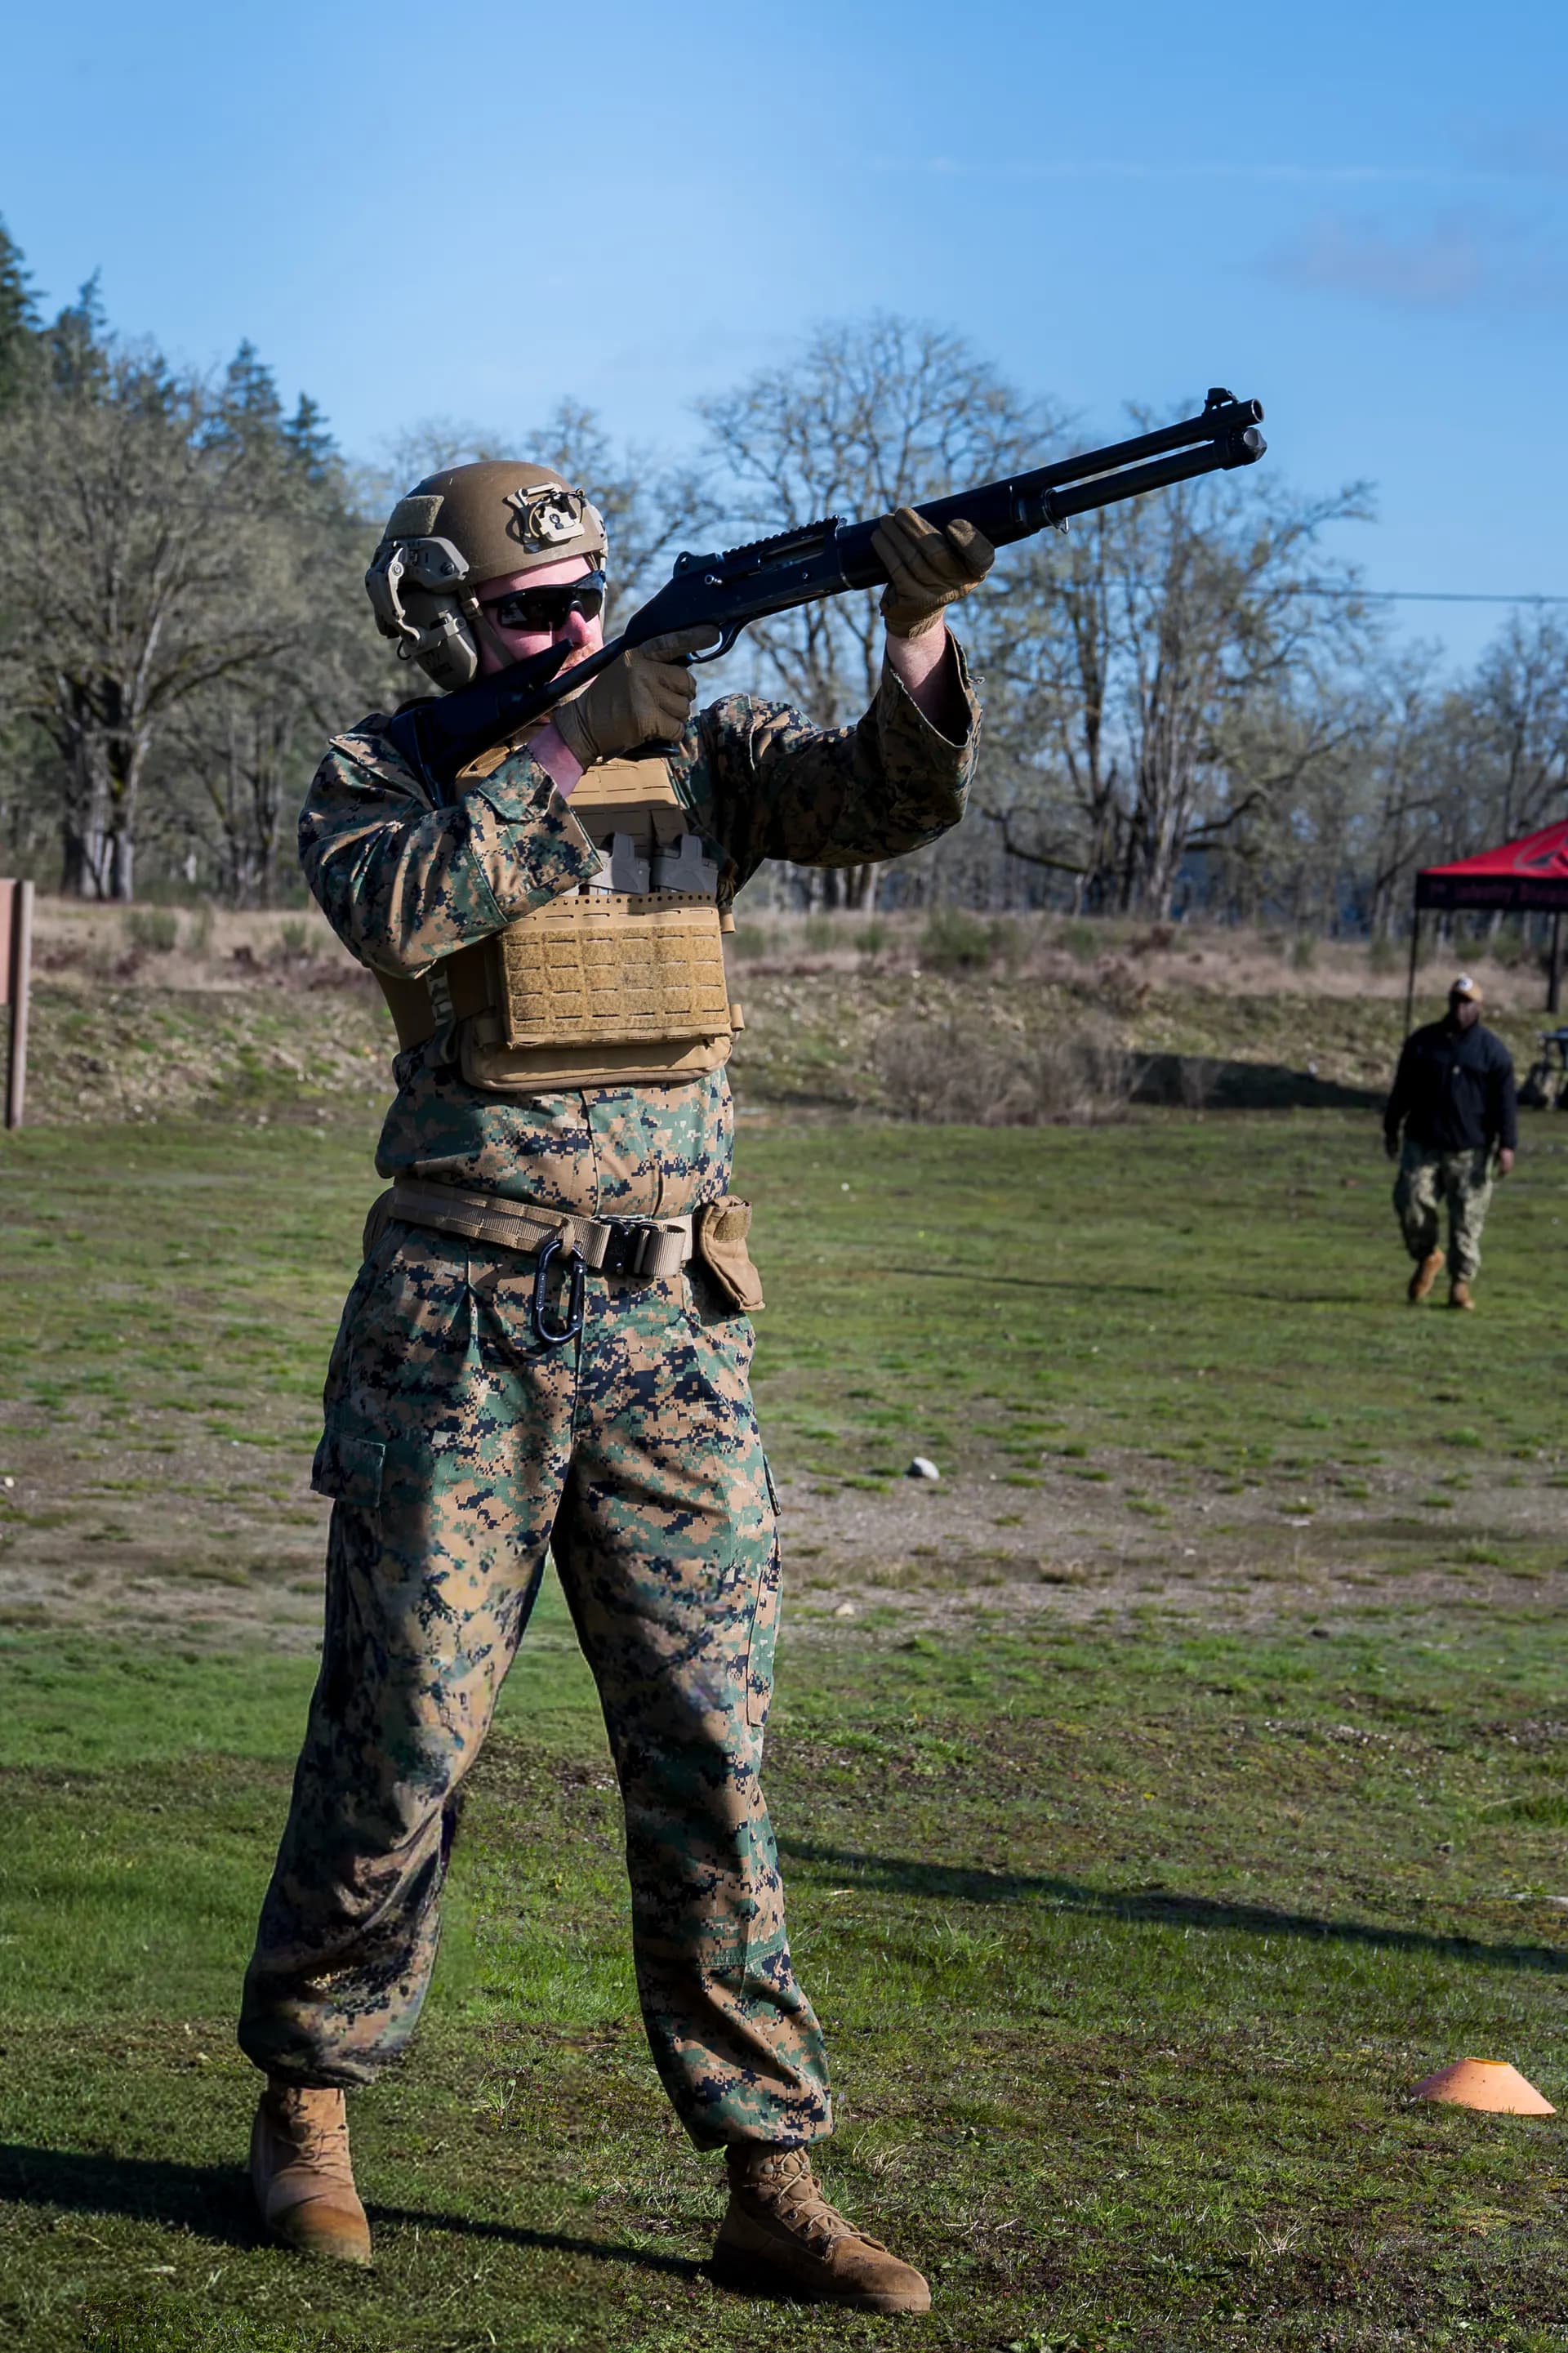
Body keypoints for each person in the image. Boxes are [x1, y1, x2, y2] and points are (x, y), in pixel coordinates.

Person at [236, 458, 992, 2312]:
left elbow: (884, 806)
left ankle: (768, 2166)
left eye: (590, 599)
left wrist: (916, 620)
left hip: (671, 1328)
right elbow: (402, 911)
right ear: (445, 620)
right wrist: (571, 742)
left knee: (711, 1745)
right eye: (533, 612)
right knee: (403, 1732)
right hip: (458, 1323)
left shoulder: (703, 756)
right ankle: (310, 2098)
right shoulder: (387, 768)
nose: (574, 630)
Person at [1383, 973, 1517, 1310]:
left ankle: (1460, 1284)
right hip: (1423, 1141)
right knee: (1410, 1201)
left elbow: (1505, 1103)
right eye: (1456, 1001)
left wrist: (1507, 1145)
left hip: (1470, 1148)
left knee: (1467, 1221)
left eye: (1467, 1002)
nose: (1460, 1008)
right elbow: (1402, 1090)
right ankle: (1428, 1255)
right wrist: (1391, 1127)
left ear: (1479, 1007)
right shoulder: (1423, 1043)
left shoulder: (1492, 1052)